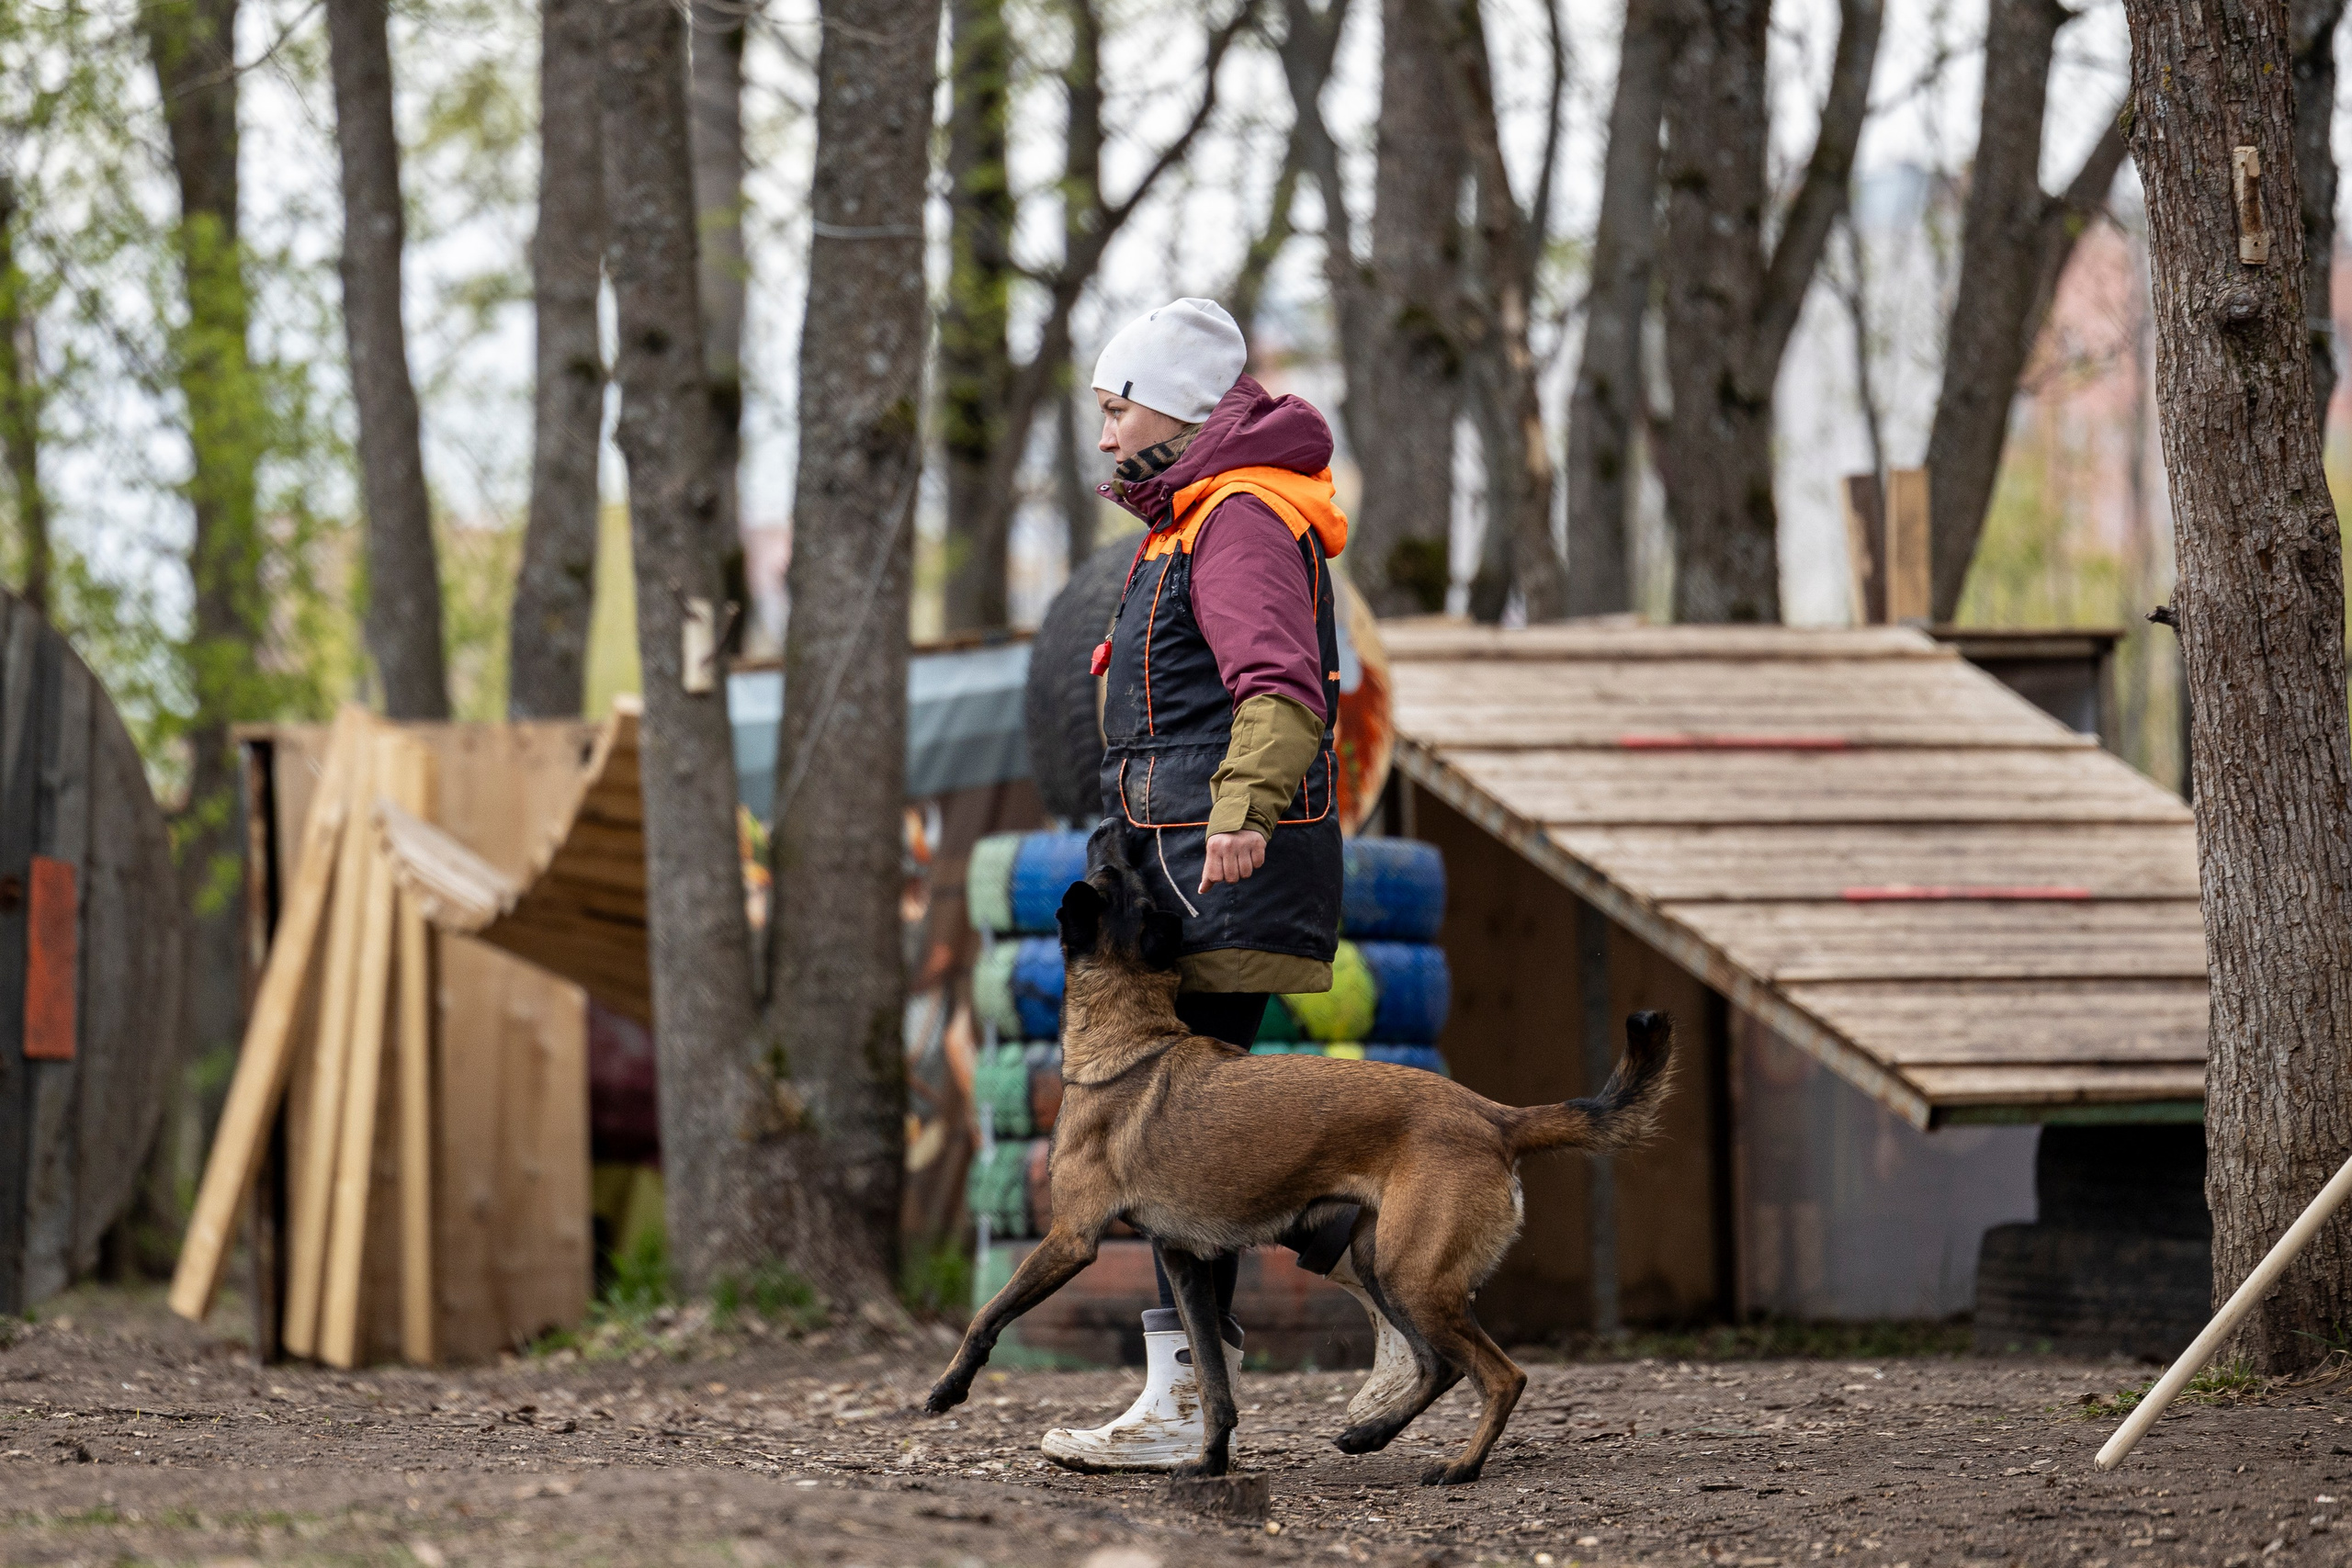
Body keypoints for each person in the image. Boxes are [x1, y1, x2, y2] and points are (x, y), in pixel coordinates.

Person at [1039, 299, 1411, 1473]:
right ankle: (1391, 1318)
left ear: (1180, 406)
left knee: (1172, 1154)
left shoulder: (1240, 516)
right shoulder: (1195, 515)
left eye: (1116, 406)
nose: (1104, 436)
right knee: (1193, 1153)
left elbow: (1283, 687)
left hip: (1220, 867)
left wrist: (1239, 815)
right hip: (1179, 860)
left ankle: (1189, 1403)